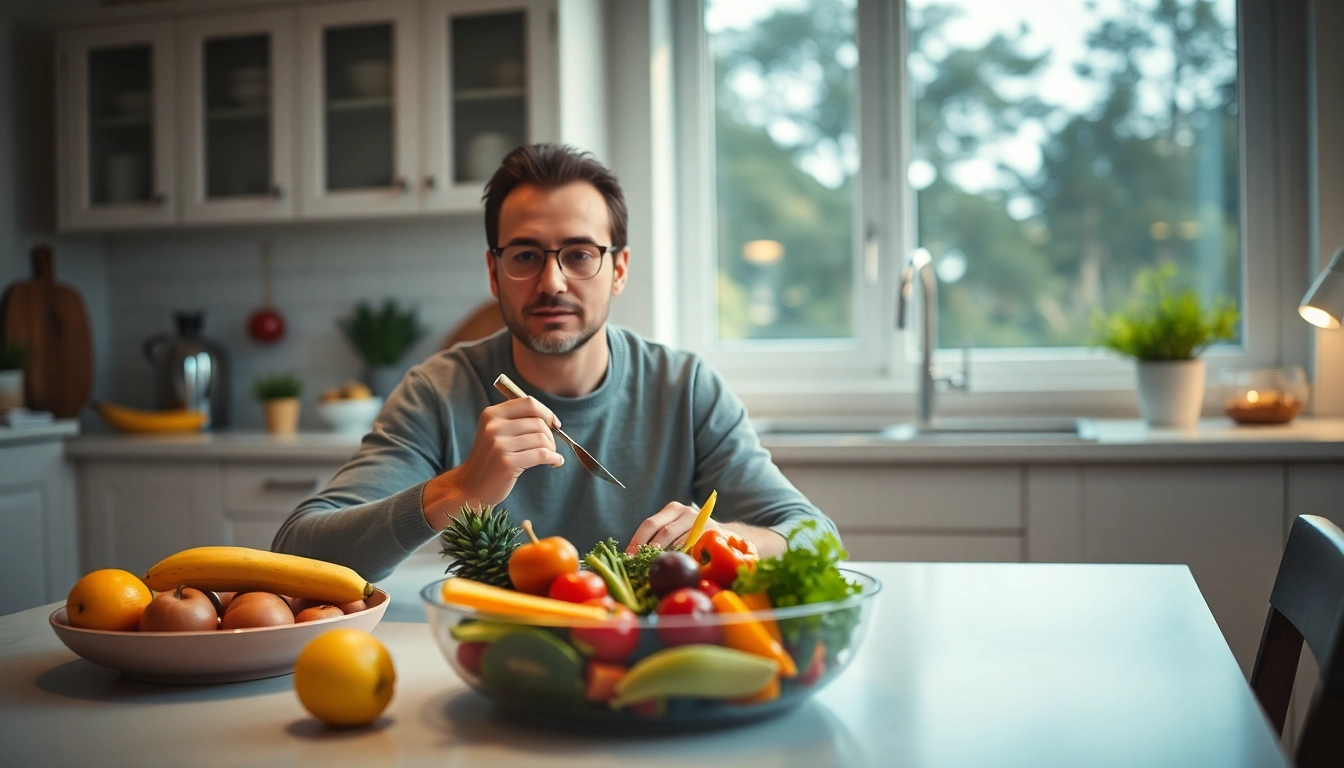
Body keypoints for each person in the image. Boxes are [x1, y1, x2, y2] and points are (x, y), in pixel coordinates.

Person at [272, 143, 838, 582]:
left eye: (579, 254)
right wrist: (456, 491)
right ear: (493, 273)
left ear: (618, 269)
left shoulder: (685, 388)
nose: (552, 282)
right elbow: (297, 550)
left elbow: (818, 536)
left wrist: (726, 539)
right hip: (495, 660)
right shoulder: (438, 392)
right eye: (525, 256)